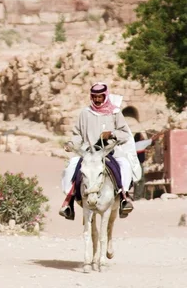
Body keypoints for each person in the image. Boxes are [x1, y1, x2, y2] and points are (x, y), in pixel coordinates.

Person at [59, 82, 141, 220]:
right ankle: (69, 202)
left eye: (100, 97)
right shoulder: (85, 113)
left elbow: (125, 134)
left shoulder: (115, 113)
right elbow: (77, 134)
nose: (97, 99)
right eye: (95, 97)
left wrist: (112, 134)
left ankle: (124, 198)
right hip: (89, 153)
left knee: (125, 166)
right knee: (71, 167)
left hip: (110, 151)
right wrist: (72, 144)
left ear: (105, 96)